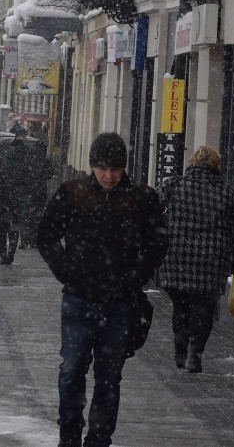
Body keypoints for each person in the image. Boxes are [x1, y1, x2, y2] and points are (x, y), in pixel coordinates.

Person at [36, 132, 168, 447]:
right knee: (71, 371)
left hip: (120, 304)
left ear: (124, 168)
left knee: (109, 378)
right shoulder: (73, 193)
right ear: (92, 166)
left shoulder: (141, 198)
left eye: (115, 169)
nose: (108, 176)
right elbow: (46, 233)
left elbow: (158, 241)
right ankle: (68, 436)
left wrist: (137, 276)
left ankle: (98, 439)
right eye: (102, 169)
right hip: (78, 300)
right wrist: (65, 270)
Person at [155, 145, 234, 374]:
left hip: (176, 260)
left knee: (181, 307)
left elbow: (151, 214)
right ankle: (194, 354)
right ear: (216, 166)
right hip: (210, 263)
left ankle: (180, 350)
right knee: (204, 309)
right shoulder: (229, 196)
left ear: (191, 162)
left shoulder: (172, 186)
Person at [0, 128, 33, 265]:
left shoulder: (5, 158)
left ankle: (3, 255)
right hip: (17, 199)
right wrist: (31, 200)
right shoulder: (27, 162)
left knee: (2, 228)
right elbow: (31, 183)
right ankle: (11, 253)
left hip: (1, 197)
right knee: (14, 226)